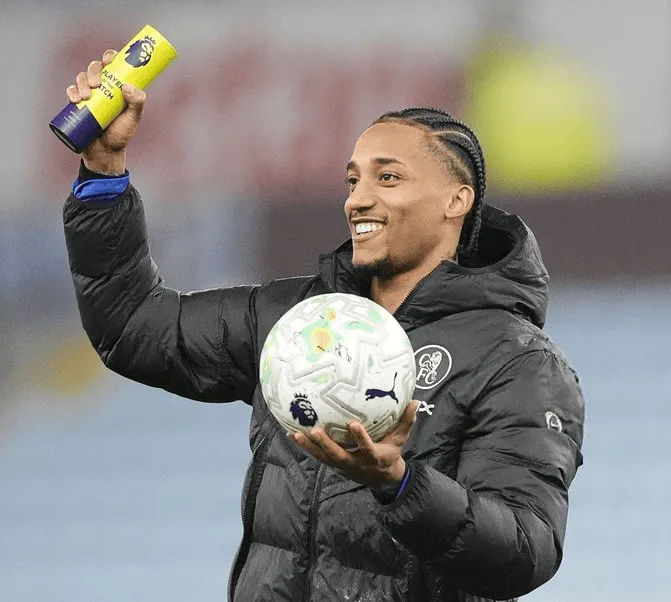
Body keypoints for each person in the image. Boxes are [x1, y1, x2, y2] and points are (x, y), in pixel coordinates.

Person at [62, 49, 585, 602]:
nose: (359, 199)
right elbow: (134, 326)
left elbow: (524, 551)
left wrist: (401, 484)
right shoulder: (297, 318)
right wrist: (104, 169)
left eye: (388, 177)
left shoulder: (517, 360)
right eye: (353, 180)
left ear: (457, 200)